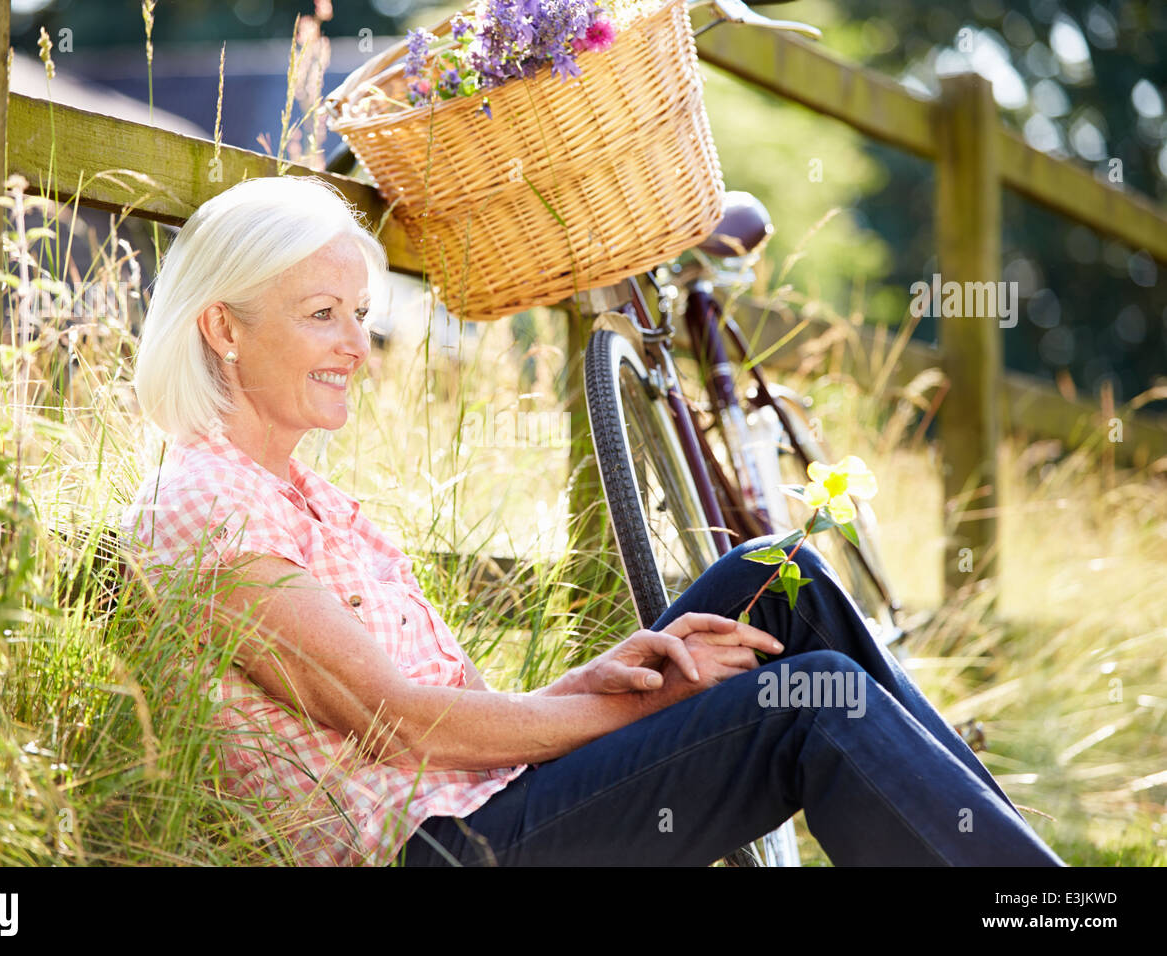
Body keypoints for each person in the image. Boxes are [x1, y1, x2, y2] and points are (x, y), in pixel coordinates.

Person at [119, 175, 1064, 867]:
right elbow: (399, 727)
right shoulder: (207, 508)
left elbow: (456, 710)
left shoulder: (305, 493)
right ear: (223, 328)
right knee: (811, 706)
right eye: (322, 313)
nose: (356, 346)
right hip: (449, 852)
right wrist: (643, 701)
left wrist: (602, 676)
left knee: (781, 581)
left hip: (489, 803)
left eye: (360, 314)